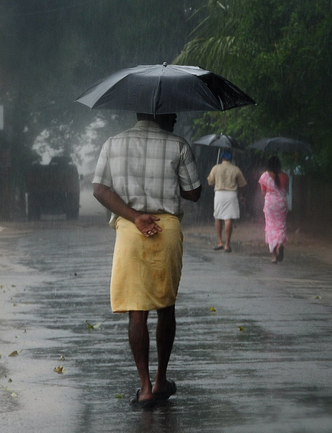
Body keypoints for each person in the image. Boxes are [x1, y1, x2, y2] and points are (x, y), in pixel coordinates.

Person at [92, 112, 201, 408]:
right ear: (160, 113)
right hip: (166, 229)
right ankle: (161, 379)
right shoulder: (178, 145)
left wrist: (136, 216)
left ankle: (144, 388)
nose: (177, 117)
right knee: (166, 306)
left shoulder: (113, 144)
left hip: (130, 230)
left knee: (136, 311)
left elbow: (99, 189)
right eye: (172, 113)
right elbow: (194, 193)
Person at [206, 150, 247, 252]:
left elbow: (210, 182)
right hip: (231, 195)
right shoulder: (236, 169)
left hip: (219, 194)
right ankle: (227, 244)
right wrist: (242, 196)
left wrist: (210, 178)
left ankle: (220, 242)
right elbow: (242, 184)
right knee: (228, 219)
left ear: (222, 158)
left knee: (218, 217)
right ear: (231, 158)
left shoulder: (216, 168)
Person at [259, 155, 289, 263]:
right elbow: (286, 190)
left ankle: (275, 257)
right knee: (281, 225)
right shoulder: (285, 176)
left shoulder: (264, 177)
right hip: (281, 202)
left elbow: (263, 192)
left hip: (270, 203)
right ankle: (280, 243)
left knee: (271, 227)